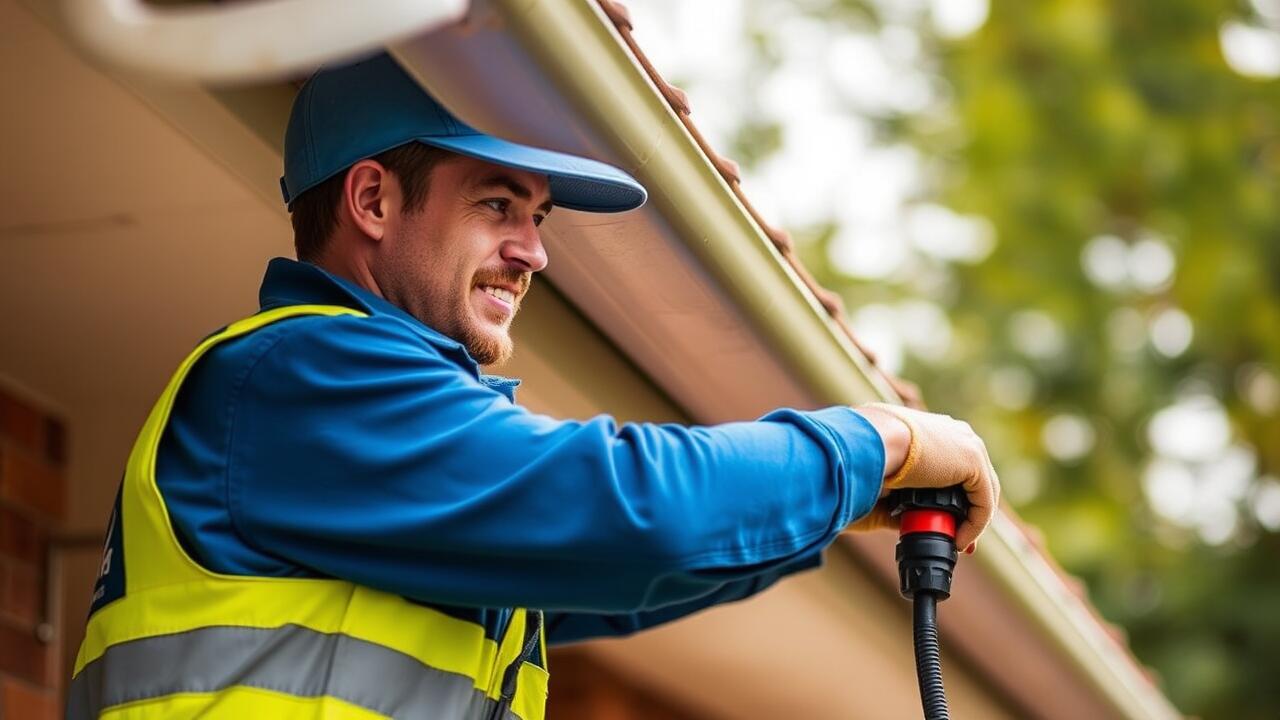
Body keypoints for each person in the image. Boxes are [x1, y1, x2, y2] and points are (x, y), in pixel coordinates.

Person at [68, 53, 999, 720]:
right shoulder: (305, 376)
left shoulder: (356, 439)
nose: (535, 251)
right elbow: (631, 510)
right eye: (497, 205)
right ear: (372, 201)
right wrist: (878, 444)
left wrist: (833, 510)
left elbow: (619, 572)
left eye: (538, 217)